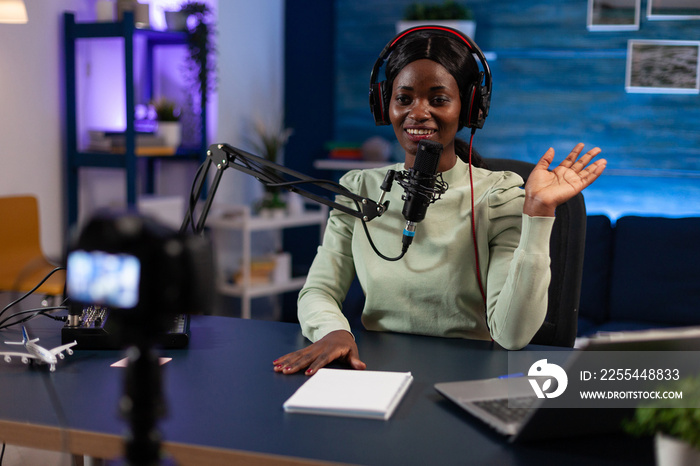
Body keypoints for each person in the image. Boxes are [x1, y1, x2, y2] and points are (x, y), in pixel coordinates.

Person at [273, 27, 606, 376]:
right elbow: (319, 289)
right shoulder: (359, 189)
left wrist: (538, 211)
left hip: (468, 374)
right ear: (384, 104)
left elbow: (512, 334)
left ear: (469, 108)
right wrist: (333, 331)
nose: (418, 113)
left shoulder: (498, 196)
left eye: (438, 99)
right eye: (404, 98)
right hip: (375, 370)